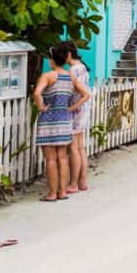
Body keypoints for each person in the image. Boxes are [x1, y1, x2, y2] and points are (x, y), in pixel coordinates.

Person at [32, 46, 91, 202]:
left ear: (52, 60)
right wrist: (70, 108)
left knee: (51, 159)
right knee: (63, 158)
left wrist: (42, 107)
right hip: (65, 119)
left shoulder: (48, 76)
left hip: (49, 120)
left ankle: (52, 193)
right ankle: (63, 192)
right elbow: (86, 94)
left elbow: (37, 93)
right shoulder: (70, 76)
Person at [61, 41, 91, 194]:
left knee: (73, 148)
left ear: (68, 54)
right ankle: (82, 181)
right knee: (80, 148)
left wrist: (71, 107)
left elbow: (80, 92)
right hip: (84, 110)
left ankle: (73, 183)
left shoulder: (73, 70)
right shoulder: (83, 67)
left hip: (76, 109)